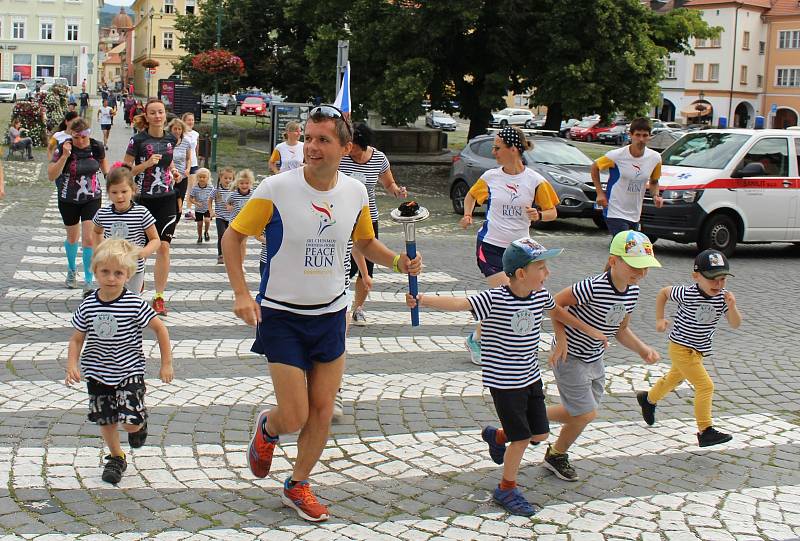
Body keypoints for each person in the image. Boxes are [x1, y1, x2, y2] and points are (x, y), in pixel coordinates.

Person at [222, 104, 422, 522]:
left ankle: (297, 484)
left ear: (345, 147)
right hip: (281, 313)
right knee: (293, 414)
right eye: (309, 138)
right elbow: (234, 237)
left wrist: (398, 263)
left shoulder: (354, 192)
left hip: (331, 312)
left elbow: (364, 243)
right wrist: (242, 293)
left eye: (323, 140)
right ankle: (269, 428)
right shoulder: (275, 188)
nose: (312, 147)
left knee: (323, 409)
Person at [406, 237, 607, 516]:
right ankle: (507, 488)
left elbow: (558, 313)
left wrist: (589, 330)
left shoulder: (540, 295)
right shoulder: (495, 298)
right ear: (522, 273)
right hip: (504, 383)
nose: (547, 273)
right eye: (542, 267)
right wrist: (422, 299)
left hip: (530, 377)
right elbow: (460, 303)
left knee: (540, 433)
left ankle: (498, 437)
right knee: (522, 439)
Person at [544, 230, 661, 482]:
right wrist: (561, 337)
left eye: (645, 268)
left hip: (594, 357)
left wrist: (642, 349)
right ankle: (543, 436)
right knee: (585, 413)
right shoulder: (592, 286)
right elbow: (554, 304)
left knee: (582, 412)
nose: (640, 274)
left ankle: (548, 441)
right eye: (634, 266)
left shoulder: (631, 291)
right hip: (570, 355)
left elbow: (621, 328)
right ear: (613, 261)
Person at [64, 238, 173, 485]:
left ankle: (139, 423)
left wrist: (166, 363)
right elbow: (76, 339)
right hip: (97, 371)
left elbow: (160, 329)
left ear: (128, 275)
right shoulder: (88, 304)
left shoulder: (134, 303)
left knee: (130, 425)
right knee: (106, 418)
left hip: (129, 370)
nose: (111, 278)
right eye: (105, 272)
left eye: (118, 273)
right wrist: (73, 364)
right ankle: (116, 456)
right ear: (95, 271)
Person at [460, 126, 560, 365]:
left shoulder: (535, 181)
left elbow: (553, 212)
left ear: (513, 149)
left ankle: (479, 338)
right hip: (490, 246)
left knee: (511, 298)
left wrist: (538, 215)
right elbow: (472, 196)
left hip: (520, 251)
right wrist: (467, 214)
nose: (493, 152)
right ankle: (487, 342)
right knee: (506, 296)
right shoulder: (491, 177)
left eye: (497, 148)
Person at [637, 249, 742, 447]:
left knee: (673, 379)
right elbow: (663, 293)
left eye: (722, 279)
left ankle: (648, 400)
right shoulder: (687, 292)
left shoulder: (723, 297)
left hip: (698, 350)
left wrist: (733, 306)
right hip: (680, 347)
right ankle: (705, 430)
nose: (718, 285)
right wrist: (660, 319)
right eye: (712, 279)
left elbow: (735, 323)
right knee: (705, 386)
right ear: (696, 276)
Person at [338, 123, 407, 327]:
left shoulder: (378, 158)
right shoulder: (342, 157)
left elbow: (388, 183)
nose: (350, 149)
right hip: (341, 216)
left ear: (363, 145)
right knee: (344, 264)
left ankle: (358, 308)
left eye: (354, 146)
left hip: (367, 217)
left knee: (367, 266)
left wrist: (397, 191)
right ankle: (335, 301)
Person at [123, 98, 181, 316]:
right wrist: (146, 165)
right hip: (143, 200)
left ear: (165, 115)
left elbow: (170, 163)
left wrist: (174, 172)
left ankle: (159, 297)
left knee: (164, 246)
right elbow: (126, 172)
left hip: (166, 198)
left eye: (161, 112)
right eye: (153, 113)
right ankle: (138, 283)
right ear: (146, 116)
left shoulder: (170, 139)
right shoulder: (137, 140)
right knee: (141, 250)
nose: (158, 116)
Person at [48, 118, 109, 294]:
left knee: (89, 239)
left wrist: (109, 178)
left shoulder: (96, 146)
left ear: (88, 134)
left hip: (92, 197)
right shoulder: (63, 148)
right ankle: (71, 269)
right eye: (76, 137)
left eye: (83, 137)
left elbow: (104, 162)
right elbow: (51, 175)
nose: (80, 141)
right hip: (68, 199)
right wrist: (65, 156)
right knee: (73, 238)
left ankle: (89, 281)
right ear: (71, 135)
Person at [92, 164, 160, 295]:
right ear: (108, 193)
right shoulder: (103, 213)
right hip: (110, 267)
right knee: (110, 298)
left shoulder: (141, 213)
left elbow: (155, 240)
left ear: (133, 190)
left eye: (124, 191)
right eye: (114, 192)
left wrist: (143, 252)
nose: (119, 196)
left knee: (131, 301)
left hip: (133, 268)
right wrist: (99, 250)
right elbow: (96, 231)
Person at [591, 117, 664, 236]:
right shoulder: (616, 155)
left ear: (650, 136)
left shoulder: (655, 158)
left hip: (635, 213)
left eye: (645, 135)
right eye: (638, 135)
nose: (641, 139)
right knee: (627, 246)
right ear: (631, 135)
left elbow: (654, 181)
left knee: (626, 250)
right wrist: (600, 193)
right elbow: (594, 167)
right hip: (614, 210)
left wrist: (656, 196)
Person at [166, 118, 193, 220]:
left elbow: (188, 158)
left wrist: (188, 169)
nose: (177, 131)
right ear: (171, 129)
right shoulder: (166, 142)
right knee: (170, 200)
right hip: (169, 176)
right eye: (175, 129)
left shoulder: (186, 142)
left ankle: (176, 222)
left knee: (179, 201)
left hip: (182, 176)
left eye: (179, 129)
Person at [226, 169, 255, 264]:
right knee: (234, 243)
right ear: (238, 183)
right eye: (242, 183)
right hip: (234, 222)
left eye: (247, 183)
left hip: (245, 222)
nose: (244, 185)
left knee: (243, 243)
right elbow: (228, 202)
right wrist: (229, 206)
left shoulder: (253, 194)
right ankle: (233, 260)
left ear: (250, 183)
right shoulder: (233, 195)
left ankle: (241, 263)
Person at [212, 166, 235, 264]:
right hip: (220, 216)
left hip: (230, 217)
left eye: (230, 178)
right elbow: (209, 200)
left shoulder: (234, 191)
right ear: (220, 178)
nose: (228, 180)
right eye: (225, 178)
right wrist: (211, 211)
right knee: (221, 235)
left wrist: (232, 207)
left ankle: (229, 254)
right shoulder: (216, 190)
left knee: (230, 237)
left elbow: (237, 201)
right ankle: (220, 255)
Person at [189, 167, 215, 244]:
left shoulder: (211, 187)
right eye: (200, 177)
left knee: (207, 220)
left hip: (207, 208)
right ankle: (199, 236)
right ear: (197, 178)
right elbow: (190, 198)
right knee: (199, 224)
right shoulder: (195, 188)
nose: (202, 179)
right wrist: (196, 203)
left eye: (204, 177)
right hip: (198, 209)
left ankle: (206, 232)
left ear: (208, 178)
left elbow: (215, 196)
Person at [181, 112, 200, 194]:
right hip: (182, 163)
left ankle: (189, 206)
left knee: (191, 188)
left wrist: (197, 160)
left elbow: (196, 149)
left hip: (193, 163)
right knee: (182, 187)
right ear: (184, 121)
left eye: (192, 120)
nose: (191, 122)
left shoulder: (196, 134)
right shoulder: (181, 133)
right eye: (189, 120)